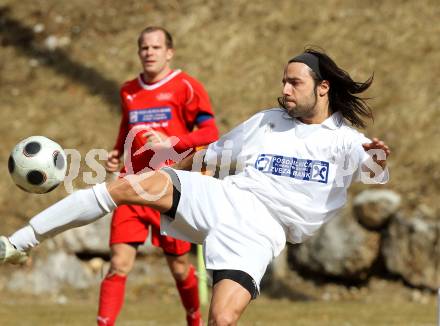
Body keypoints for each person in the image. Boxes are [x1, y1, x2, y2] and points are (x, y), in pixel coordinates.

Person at [1, 48, 390, 325]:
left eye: (295, 83)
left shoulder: (345, 141)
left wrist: (376, 157)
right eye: (284, 82)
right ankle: (19, 241)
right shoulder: (267, 121)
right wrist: (167, 167)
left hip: (262, 231)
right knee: (123, 188)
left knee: (221, 318)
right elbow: (211, 155)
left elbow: (371, 169)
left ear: (323, 88)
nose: (285, 89)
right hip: (224, 197)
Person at [99, 26, 219, 326]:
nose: (149, 53)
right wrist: (116, 154)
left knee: (179, 268)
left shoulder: (186, 86)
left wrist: (171, 143)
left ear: (169, 52)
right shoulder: (128, 90)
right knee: (118, 264)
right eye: (144, 47)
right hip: (131, 185)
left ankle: (194, 318)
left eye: (155, 47)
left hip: (169, 187)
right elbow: (126, 130)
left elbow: (210, 132)